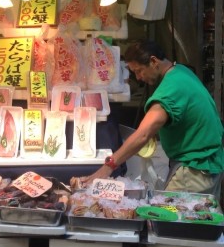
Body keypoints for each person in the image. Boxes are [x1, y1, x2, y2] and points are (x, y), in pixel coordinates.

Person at [83, 39, 224, 198]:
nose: (139, 77)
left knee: (169, 217)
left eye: (139, 71)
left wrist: (108, 166)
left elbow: (143, 134)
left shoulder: (169, 90)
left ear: (153, 61)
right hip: (210, 166)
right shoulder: (181, 71)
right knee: (198, 219)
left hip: (193, 173)